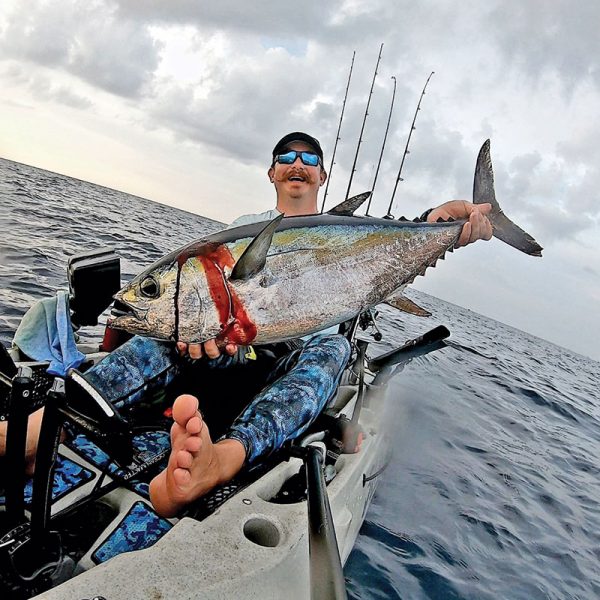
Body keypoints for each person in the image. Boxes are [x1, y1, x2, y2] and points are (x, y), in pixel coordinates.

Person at [0, 132, 493, 517]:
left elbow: (379, 250)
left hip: (298, 353)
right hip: (229, 348)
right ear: (272, 172)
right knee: (167, 331)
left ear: (322, 177)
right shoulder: (241, 227)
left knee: (332, 353)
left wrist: (437, 223)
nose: (297, 163)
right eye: (287, 156)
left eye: (310, 158)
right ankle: (37, 430)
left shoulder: (350, 231)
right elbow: (204, 295)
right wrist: (196, 329)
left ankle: (220, 462)